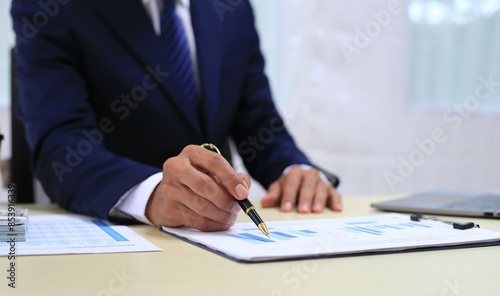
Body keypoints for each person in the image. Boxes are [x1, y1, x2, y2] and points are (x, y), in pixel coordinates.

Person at [11, 0, 342, 231]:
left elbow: (258, 122)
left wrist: (293, 169)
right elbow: (62, 145)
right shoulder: (47, 6)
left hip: (221, 244)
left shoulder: (231, 8)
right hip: (124, 240)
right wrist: (152, 193)